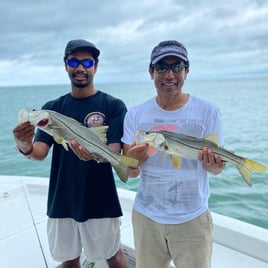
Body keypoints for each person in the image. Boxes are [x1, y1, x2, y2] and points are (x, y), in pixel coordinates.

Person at [13, 39, 127, 268]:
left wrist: (98, 155)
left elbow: (114, 149)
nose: (80, 67)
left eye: (87, 62)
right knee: (69, 259)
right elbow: (40, 152)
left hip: (100, 198)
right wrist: (24, 144)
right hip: (62, 198)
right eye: (74, 61)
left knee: (113, 256)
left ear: (95, 66)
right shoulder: (52, 109)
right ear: (66, 65)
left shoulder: (113, 105)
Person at [122, 40, 226, 268]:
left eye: (177, 67)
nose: (169, 74)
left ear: (186, 71)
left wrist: (215, 163)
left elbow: (216, 169)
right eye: (161, 67)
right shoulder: (135, 114)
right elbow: (129, 173)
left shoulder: (208, 111)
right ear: (151, 72)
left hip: (192, 218)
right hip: (147, 217)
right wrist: (133, 163)